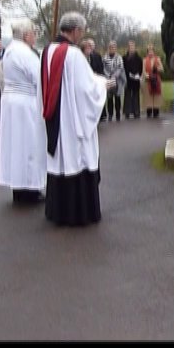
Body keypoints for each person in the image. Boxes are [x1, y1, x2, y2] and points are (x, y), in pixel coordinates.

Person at [41, 12, 113, 226]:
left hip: (56, 117)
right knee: (77, 158)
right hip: (73, 120)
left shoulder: (47, 50)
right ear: (75, 30)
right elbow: (85, 89)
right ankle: (79, 213)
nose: (82, 36)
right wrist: (103, 84)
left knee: (61, 162)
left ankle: (58, 211)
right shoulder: (73, 55)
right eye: (82, 31)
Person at [0, 20, 46, 203]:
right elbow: (39, 77)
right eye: (34, 32)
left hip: (11, 102)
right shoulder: (25, 53)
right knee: (29, 144)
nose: (35, 36)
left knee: (15, 145)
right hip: (25, 103)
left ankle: (18, 187)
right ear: (26, 35)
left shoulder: (9, 51)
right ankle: (29, 188)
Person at [102, 40, 126, 123]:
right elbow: (103, 67)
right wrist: (108, 75)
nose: (112, 48)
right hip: (108, 80)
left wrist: (115, 75)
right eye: (111, 47)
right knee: (109, 99)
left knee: (117, 98)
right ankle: (110, 115)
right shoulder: (105, 57)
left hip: (117, 80)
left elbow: (121, 68)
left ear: (116, 48)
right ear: (109, 48)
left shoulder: (119, 57)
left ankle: (118, 114)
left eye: (114, 47)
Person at [142, 43, 164, 118]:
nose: (150, 52)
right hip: (148, 80)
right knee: (148, 96)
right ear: (147, 52)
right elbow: (143, 70)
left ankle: (156, 111)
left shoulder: (157, 59)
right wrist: (146, 75)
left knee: (156, 96)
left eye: (152, 51)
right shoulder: (144, 60)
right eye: (149, 51)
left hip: (156, 79)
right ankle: (149, 111)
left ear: (154, 52)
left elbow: (162, 69)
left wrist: (158, 68)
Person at [123, 40, 143, 119]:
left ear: (135, 47)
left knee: (136, 96)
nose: (131, 48)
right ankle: (127, 112)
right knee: (127, 95)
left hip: (136, 79)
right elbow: (123, 68)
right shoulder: (124, 57)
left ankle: (136, 111)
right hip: (128, 79)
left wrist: (138, 74)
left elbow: (140, 68)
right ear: (128, 48)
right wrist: (129, 75)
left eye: (133, 46)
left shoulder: (138, 58)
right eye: (130, 47)